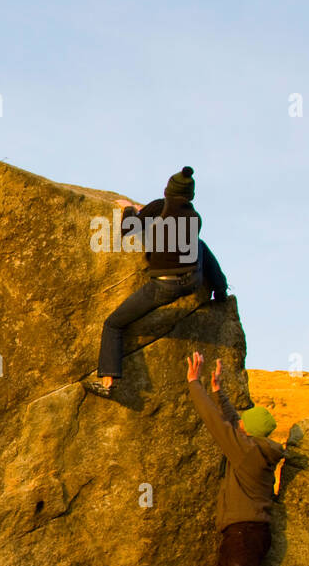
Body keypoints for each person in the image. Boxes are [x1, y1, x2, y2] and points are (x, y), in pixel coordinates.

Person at [89, 166, 224, 396]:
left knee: (113, 324)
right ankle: (220, 290)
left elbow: (128, 230)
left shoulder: (159, 206)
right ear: (190, 196)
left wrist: (131, 210)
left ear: (167, 191)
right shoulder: (195, 217)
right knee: (200, 245)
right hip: (193, 279)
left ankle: (108, 383)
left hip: (165, 285)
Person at [186, 351, 284, 566]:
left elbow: (218, 424)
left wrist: (195, 384)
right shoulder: (255, 449)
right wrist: (219, 391)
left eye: (243, 423)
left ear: (248, 432)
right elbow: (232, 423)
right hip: (246, 534)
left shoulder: (245, 453)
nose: (239, 423)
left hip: (243, 535)